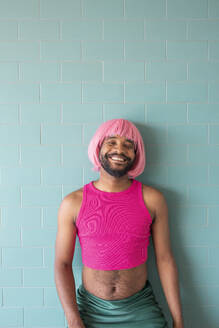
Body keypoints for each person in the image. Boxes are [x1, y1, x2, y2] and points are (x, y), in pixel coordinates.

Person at [54, 118, 184, 328]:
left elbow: (165, 259)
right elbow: (62, 264)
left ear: (136, 154)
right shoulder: (73, 203)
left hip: (140, 308)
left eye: (128, 145)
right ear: (98, 147)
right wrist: (73, 318)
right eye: (111, 142)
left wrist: (178, 320)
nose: (120, 150)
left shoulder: (153, 199)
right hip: (90, 310)